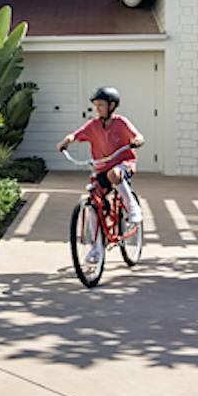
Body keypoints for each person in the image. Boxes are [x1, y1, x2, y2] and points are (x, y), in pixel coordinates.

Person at [59, 85, 143, 263]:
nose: (97, 108)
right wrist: (67, 141)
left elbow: (137, 135)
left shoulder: (121, 122)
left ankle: (133, 208)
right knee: (93, 205)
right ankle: (97, 248)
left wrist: (137, 140)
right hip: (101, 168)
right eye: (96, 105)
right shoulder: (93, 125)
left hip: (123, 164)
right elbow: (76, 134)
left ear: (112, 106)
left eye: (101, 105)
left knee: (114, 174)